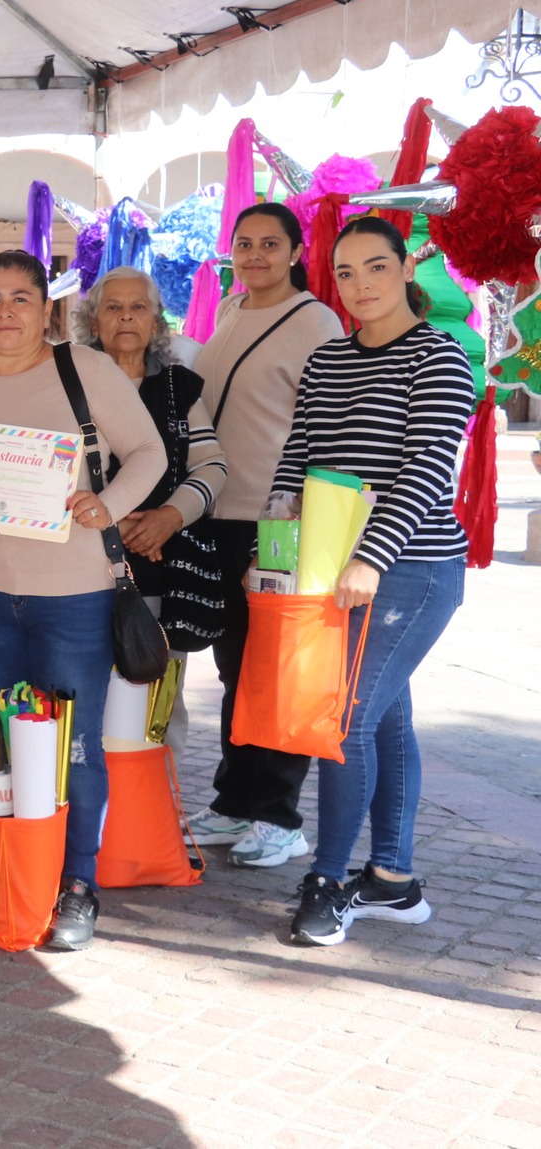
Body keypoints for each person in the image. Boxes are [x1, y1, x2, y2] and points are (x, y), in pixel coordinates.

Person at [0, 250, 166, 951]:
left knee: (74, 747)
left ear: (46, 307)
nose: (6, 311)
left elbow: (150, 453)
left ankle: (76, 881)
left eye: (21, 297)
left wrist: (107, 505)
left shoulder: (86, 370)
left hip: (73, 595)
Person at [281, 217, 471, 946]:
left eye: (376, 267)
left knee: (344, 721)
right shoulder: (327, 360)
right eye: (348, 271)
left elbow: (426, 469)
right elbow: (296, 460)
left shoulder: (439, 358)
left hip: (411, 569)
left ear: (404, 269)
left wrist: (372, 557)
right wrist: (275, 549)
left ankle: (327, 880)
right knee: (385, 718)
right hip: (332, 571)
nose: (362, 284)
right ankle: (392, 880)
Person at [189, 203, 345, 867]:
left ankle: (279, 815)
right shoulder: (230, 309)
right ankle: (235, 799)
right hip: (222, 515)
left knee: (278, 669)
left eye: (269, 244)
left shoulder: (316, 321)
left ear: (295, 249)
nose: (255, 255)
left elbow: (330, 427)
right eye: (244, 243)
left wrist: (303, 518)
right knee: (236, 668)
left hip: (280, 522)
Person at [74, 265, 229, 760]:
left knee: (158, 700)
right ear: (92, 322)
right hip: (78, 566)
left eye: (137, 307)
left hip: (159, 565)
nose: (125, 317)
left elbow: (212, 464)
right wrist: (112, 520)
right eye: (112, 307)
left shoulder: (178, 387)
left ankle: (153, 819)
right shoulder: (67, 382)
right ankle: (87, 827)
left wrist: (169, 517)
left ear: (157, 322)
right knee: (81, 699)